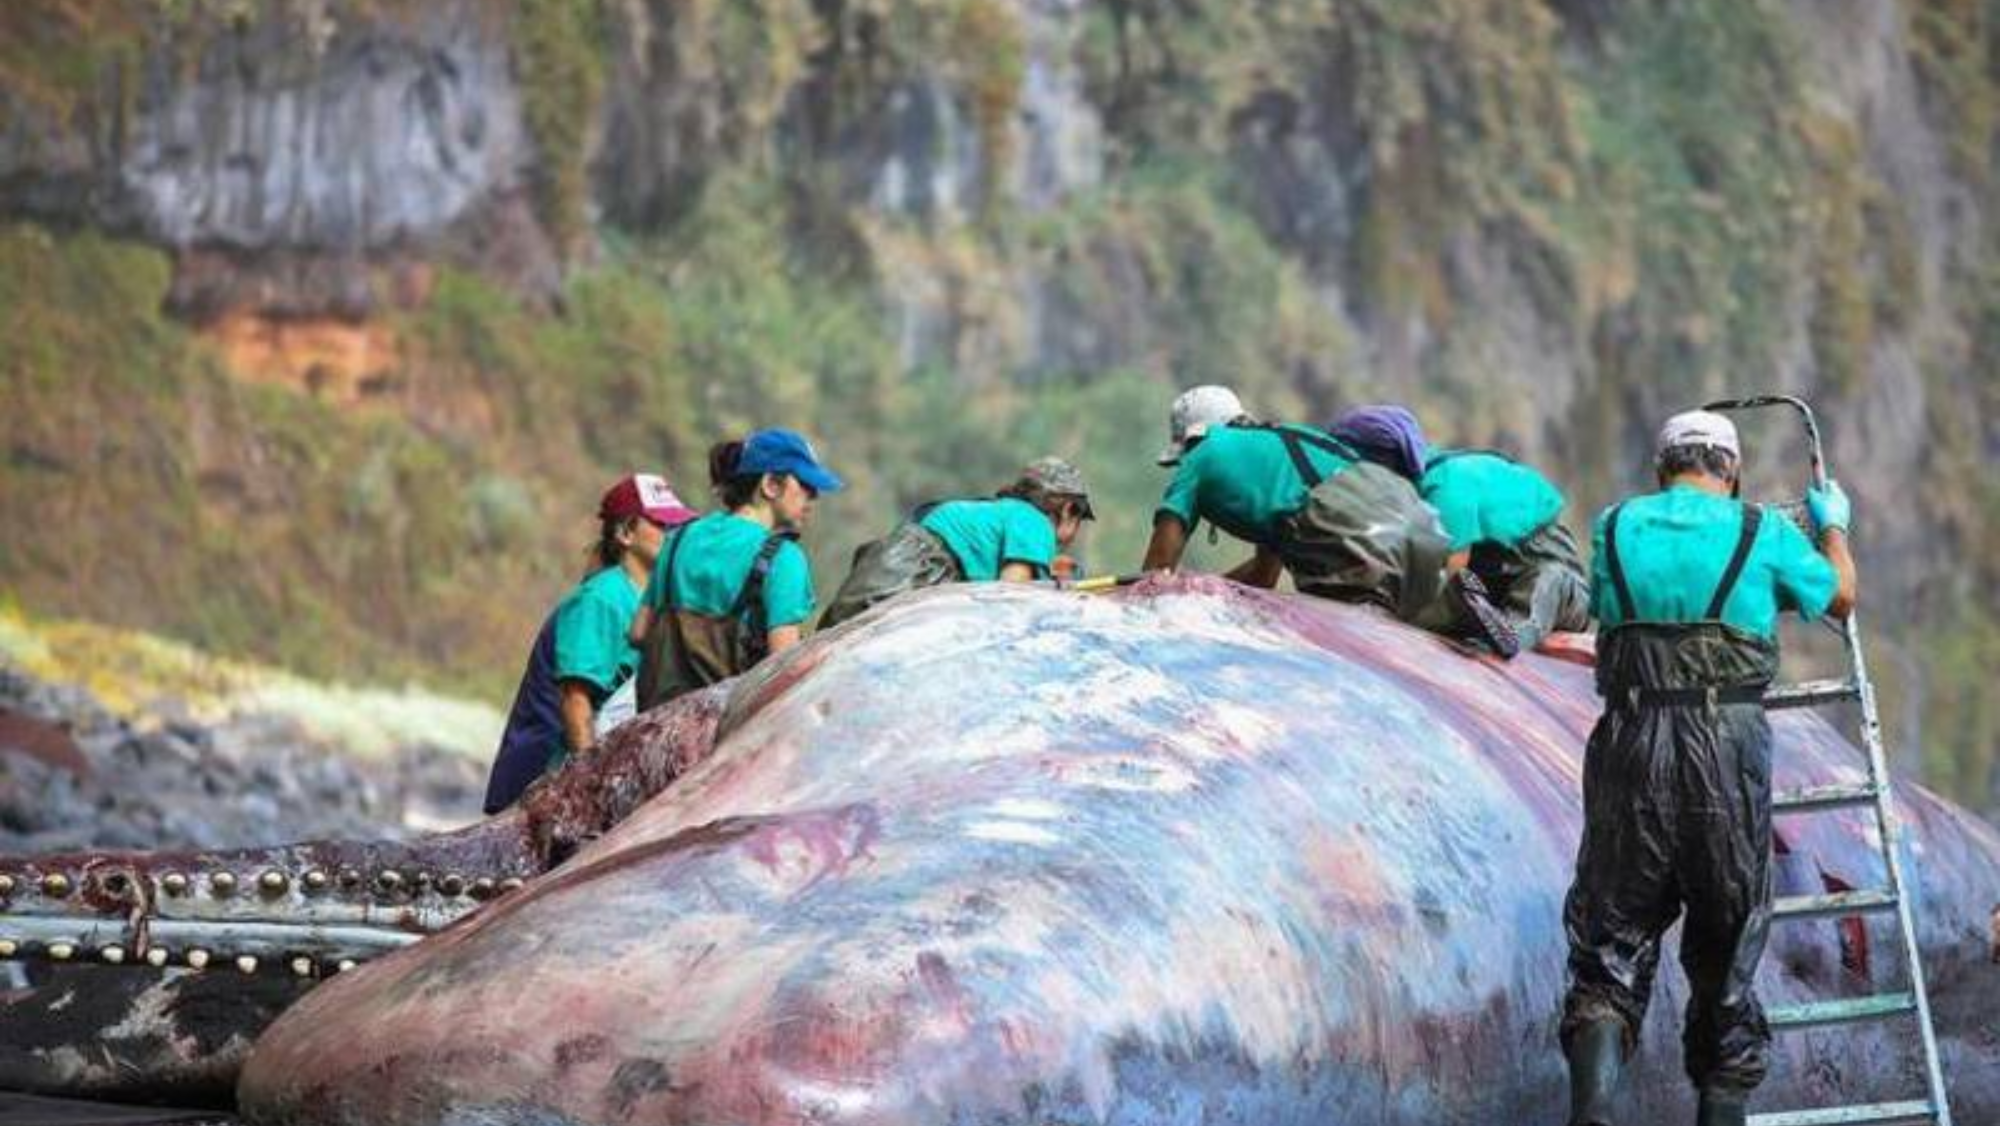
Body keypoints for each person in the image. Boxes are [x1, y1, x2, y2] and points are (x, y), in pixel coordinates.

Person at [1558, 409, 1857, 1126]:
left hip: (1630, 741)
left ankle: (1593, 1112)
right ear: (1732, 472)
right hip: (1725, 750)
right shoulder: (1762, 532)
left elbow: (1609, 611)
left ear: (1663, 469)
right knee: (1726, 951)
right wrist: (1834, 525)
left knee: (1609, 940)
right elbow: (1841, 597)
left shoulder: (1615, 526)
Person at [1141, 385, 1454, 628]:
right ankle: (1450, 602)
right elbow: (1263, 577)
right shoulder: (1282, 453)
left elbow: (1156, 572)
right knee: (1409, 598)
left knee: (1329, 578)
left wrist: (1157, 598)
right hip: (1413, 515)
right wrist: (1206, 590)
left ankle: (1375, 600)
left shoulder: (1202, 452)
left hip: (1347, 524)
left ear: (1193, 436)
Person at [481, 474, 698, 814]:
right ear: (625, 533)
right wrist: (592, 791)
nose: (673, 535)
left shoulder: (651, 600)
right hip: (550, 782)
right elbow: (575, 701)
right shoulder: (600, 600)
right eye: (661, 524)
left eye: (677, 526)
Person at [1328, 405, 1589, 653]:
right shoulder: (1412, 496)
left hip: (1554, 579)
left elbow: (1453, 566)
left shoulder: (1447, 486)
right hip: (1488, 584)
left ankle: (1508, 634)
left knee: (1545, 585)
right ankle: (1480, 618)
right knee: (1450, 595)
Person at [629, 429, 842, 710]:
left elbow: (639, 633)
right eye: (806, 486)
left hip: (657, 725)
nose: (812, 499)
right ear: (771, 485)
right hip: (723, 737)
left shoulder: (680, 538)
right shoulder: (784, 559)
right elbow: (784, 674)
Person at [820, 457, 1095, 628]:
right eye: (1080, 519)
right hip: (914, 571)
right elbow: (1012, 596)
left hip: (891, 561)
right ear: (1069, 508)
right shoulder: (1035, 522)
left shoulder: (1000, 512)